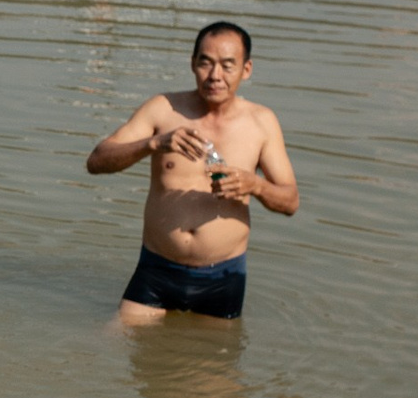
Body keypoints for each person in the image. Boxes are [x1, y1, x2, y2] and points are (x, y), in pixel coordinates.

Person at [86, 20, 300, 324]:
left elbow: (290, 201)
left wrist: (255, 185)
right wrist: (154, 143)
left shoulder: (261, 123)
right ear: (192, 63)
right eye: (206, 63)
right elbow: (96, 161)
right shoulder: (163, 109)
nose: (215, 75)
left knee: (215, 356)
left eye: (227, 65)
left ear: (246, 69)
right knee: (116, 342)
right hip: (156, 269)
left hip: (222, 277)